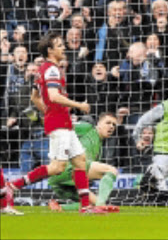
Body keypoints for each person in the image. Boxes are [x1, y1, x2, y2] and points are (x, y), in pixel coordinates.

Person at [6, 31, 105, 214]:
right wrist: (79, 105)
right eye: (59, 45)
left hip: (60, 121)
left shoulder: (44, 69)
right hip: (59, 123)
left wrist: (47, 111)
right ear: (50, 50)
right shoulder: (51, 69)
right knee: (57, 167)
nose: (63, 48)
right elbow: (53, 95)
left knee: (80, 161)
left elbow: (35, 96)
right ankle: (12, 185)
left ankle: (85, 206)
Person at [47, 112, 121, 212]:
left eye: (114, 125)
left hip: (60, 184)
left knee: (92, 203)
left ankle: (60, 208)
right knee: (111, 170)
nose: (111, 126)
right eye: (108, 123)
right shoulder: (88, 128)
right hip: (67, 168)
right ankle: (100, 205)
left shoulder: (99, 149)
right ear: (98, 124)